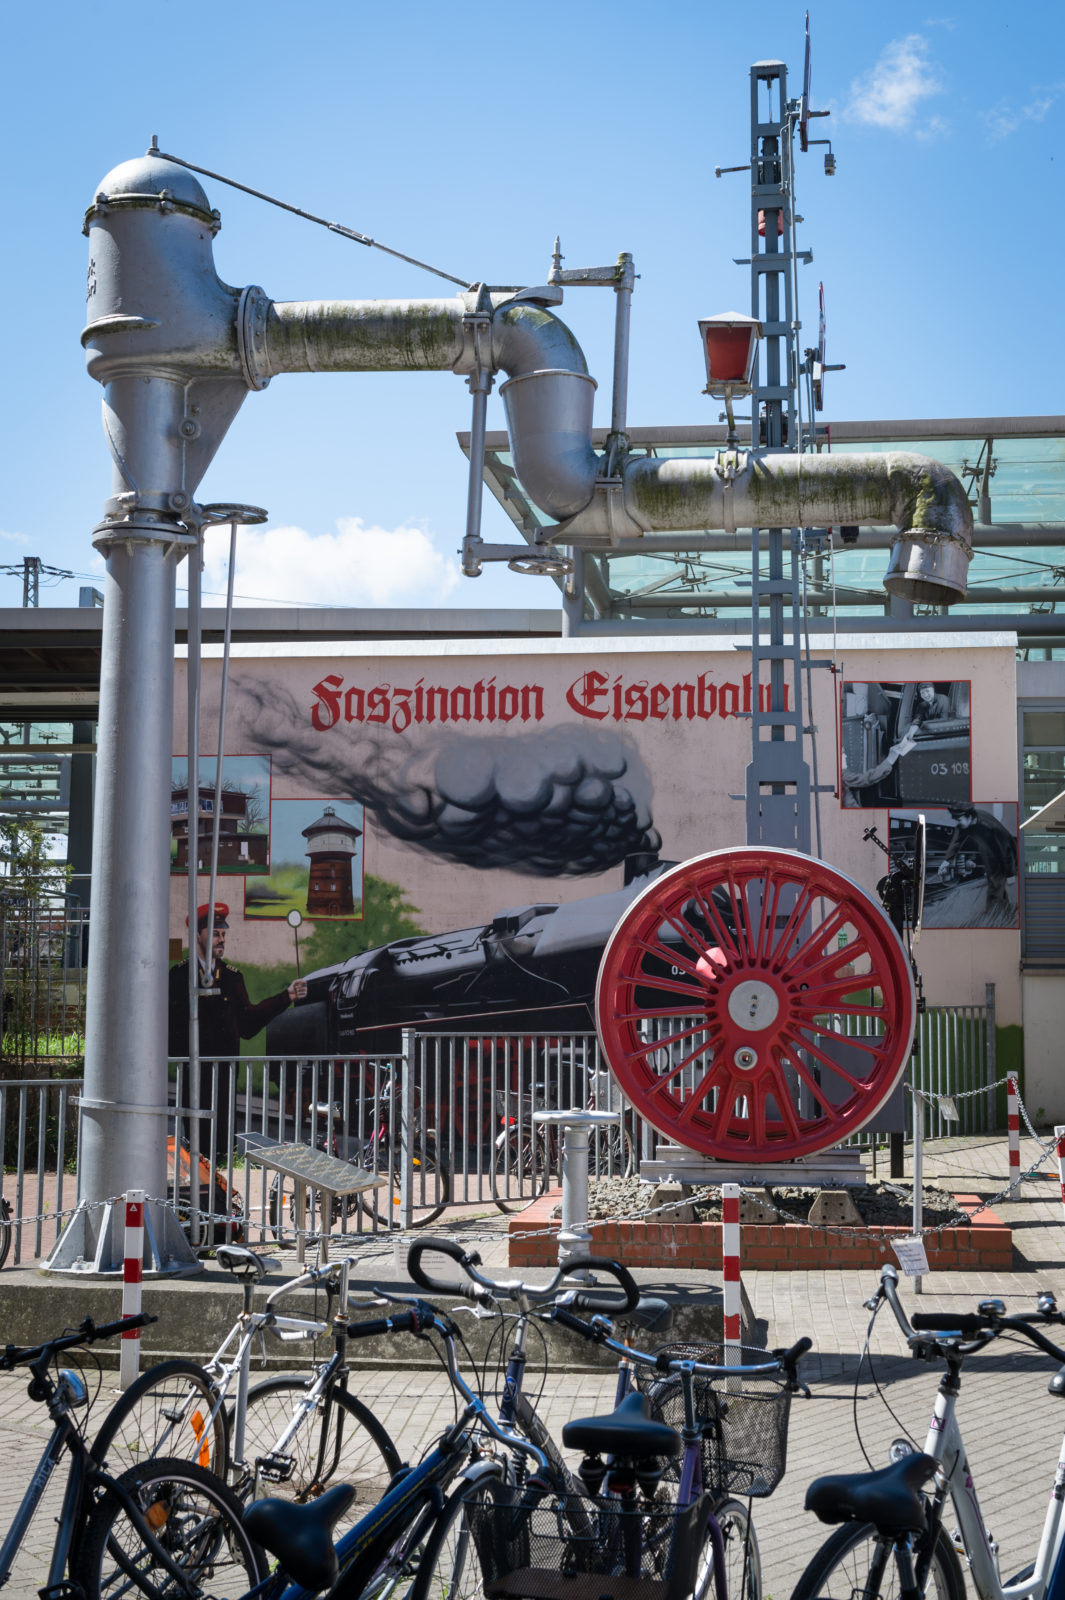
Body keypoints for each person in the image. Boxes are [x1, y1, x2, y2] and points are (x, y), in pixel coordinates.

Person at [168, 903, 307, 1162]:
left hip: (224, 1072)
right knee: (194, 1135)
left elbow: (247, 1024)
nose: (221, 940)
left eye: (223, 934)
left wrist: (285, 997)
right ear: (197, 935)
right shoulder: (178, 977)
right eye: (215, 933)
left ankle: (223, 1186)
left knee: (223, 1138)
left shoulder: (232, 979)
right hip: (191, 1070)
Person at [843, 682, 951, 791]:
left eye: (927, 691)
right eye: (923, 693)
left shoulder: (944, 700)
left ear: (933, 690)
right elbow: (917, 719)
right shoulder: (922, 705)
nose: (926, 694)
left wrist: (924, 726)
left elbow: (942, 722)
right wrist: (910, 733)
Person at [936, 808, 1017, 918]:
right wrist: (946, 861)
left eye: (959, 819)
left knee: (995, 884)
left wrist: (1010, 873)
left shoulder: (990, 825)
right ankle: (1006, 911)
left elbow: (1006, 848)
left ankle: (992, 915)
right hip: (987, 851)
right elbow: (956, 842)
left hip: (1000, 854)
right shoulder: (964, 824)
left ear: (969, 817)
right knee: (995, 884)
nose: (957, 823)